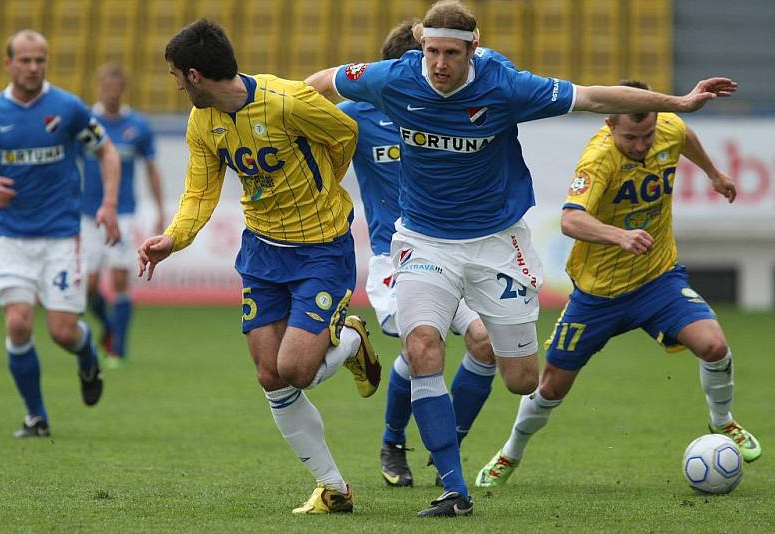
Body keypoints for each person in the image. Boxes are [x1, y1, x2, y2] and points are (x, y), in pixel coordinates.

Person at [306, 0, 737, 517]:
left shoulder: (505, 86)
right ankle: (452, 487)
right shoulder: (393, 78)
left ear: (473, 49)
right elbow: (324, 81)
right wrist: (267, 109)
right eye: (431, 52)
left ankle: (440, 446)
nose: (439, 64)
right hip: (421, 241)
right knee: (423, 346)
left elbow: (595, 96)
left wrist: (679, 104)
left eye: (450, 53)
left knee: (521, 378)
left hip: (496, 242)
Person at [136, 19, 381, 515]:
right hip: (263, 253)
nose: (176, 85)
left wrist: (323, 186)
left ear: (195, 74)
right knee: (272, 377)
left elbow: (346, 132)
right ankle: (333, 487)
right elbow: (200, 191)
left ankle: (352, 338)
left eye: (175, 77)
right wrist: (174, 238)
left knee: (298, 369)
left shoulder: (288, 100)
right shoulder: (203, 122)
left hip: (321, 248)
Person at [475, 80, 761, 487]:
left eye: (647, 136)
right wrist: (619, 235)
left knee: (714, 345)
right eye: (631, 137)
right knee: (551, 385)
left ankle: (724, 421)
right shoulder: (599, 159)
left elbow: (684, 135)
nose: (642, 146)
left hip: (657, 279)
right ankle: (510, 454)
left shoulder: (668, 128)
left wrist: (713, 173)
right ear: (610, 123)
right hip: (598, 296)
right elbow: (572, 219)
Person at [339, 19, 521, 488]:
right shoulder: (354, 115)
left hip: (457, 249)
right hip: (395, 255)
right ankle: (393, 440)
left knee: (484, 342)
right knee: (423, 345)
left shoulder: (459, 102)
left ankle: (449, 445)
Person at [0, 30, 121, 438]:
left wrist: (107, 205)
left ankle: (86, 350)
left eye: (40, 60)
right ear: (8, 64)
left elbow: (106, 151)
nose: (33, 67)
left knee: (62, 332)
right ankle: (36, 417)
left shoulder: (67, 108)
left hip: (60, 238)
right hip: (10, 239)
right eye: (25, 60)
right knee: (18, 324)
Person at [82, 62, 165, 367]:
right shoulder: (87, 123)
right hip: (88, 213)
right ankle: (110, 326)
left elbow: (152, 168)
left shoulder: (137, 126)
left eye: (116, 87)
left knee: (119, 279)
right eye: (106, 86)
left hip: (124, 212)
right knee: (88, 288)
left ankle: (119, 348)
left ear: (123, 89)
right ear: (99, 87)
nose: (111, 92)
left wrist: (159, 208)